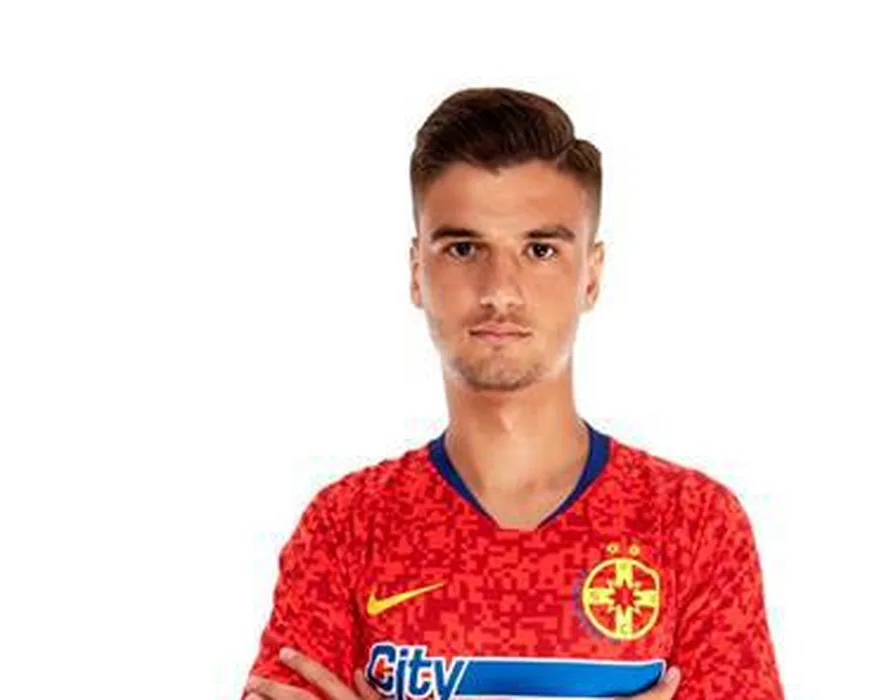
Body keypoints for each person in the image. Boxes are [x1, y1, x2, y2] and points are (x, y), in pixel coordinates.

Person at [242, 87, 784, 700]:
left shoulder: (693, 523)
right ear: (418, 272)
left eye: (540, 250)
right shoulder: (346, 527)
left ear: (592, 275)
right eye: (464, 248)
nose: (500, 290)